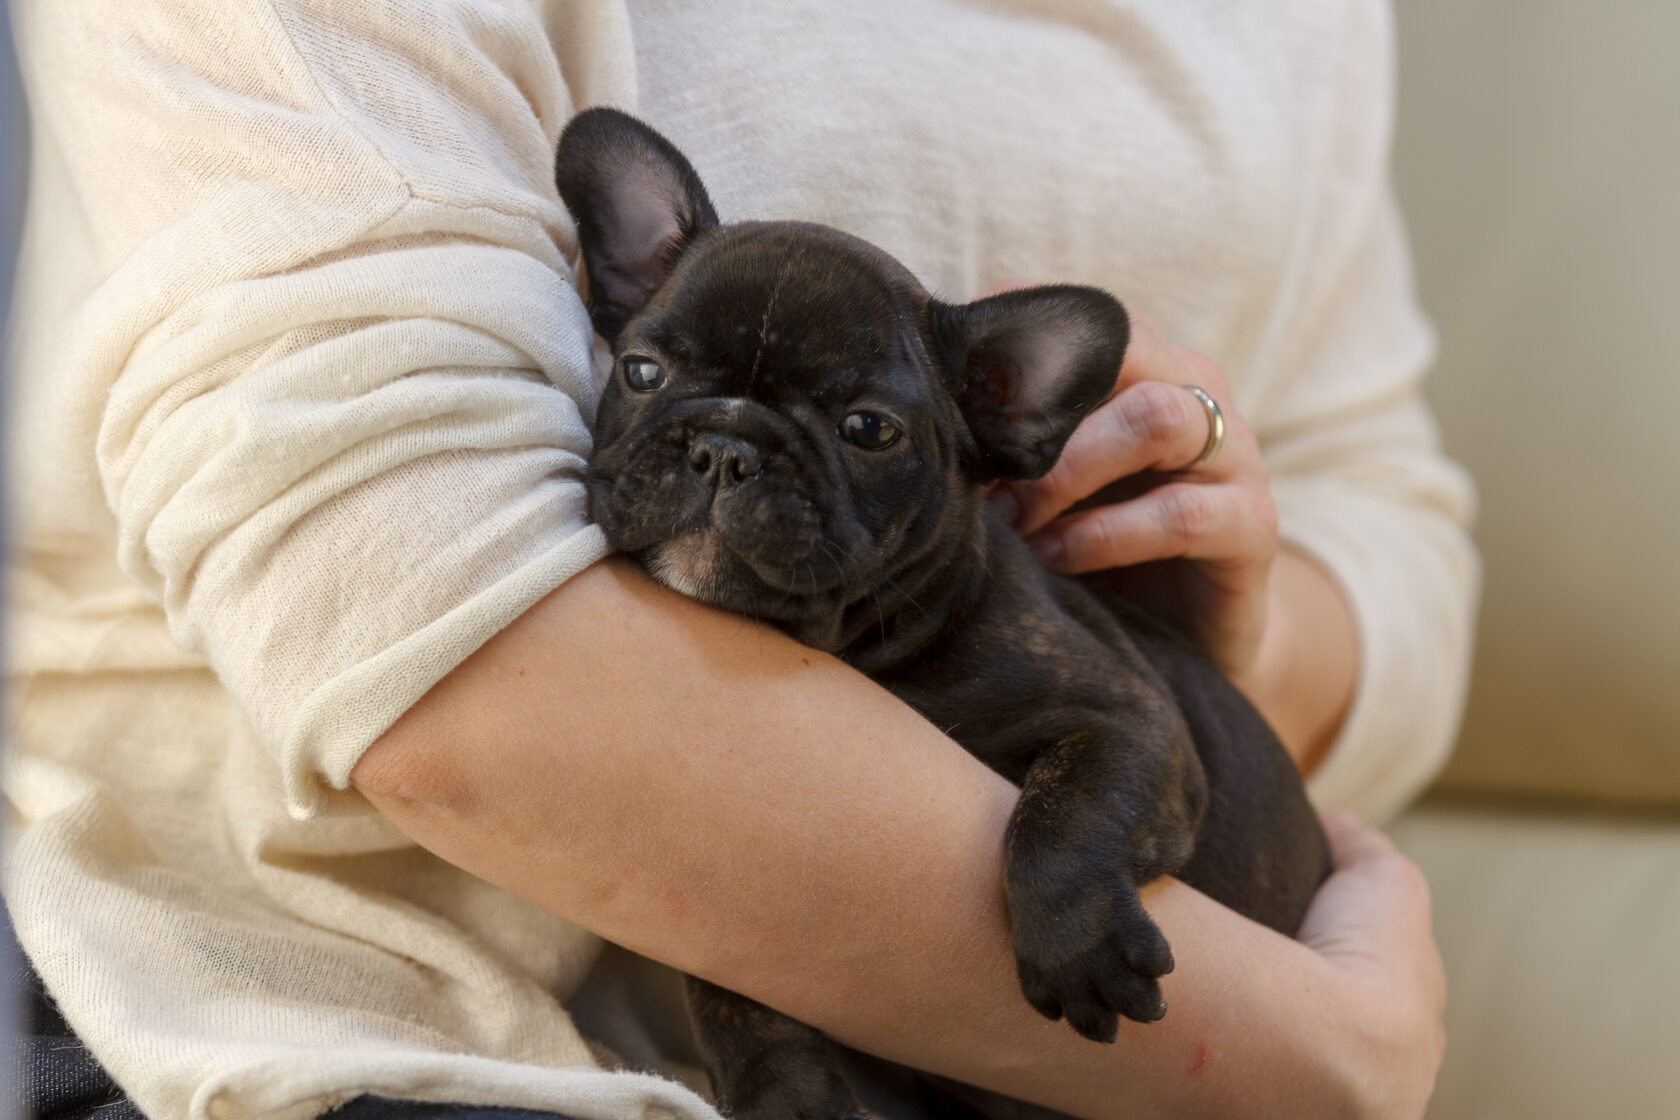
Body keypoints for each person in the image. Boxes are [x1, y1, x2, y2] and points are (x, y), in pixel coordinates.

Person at [3, 1, 1474, 1118]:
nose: (719, 462)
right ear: (624, 282)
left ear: (1004, 416)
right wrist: (1298, 1049)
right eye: (652, 385)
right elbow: (404, 615)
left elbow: (1390, 503)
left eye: (850, 429)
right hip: (334, 1023)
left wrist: (1231, 637)